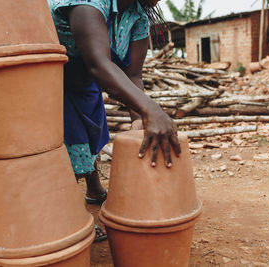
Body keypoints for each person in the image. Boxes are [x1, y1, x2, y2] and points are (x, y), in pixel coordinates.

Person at [49, 0, 181, 242]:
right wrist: (150, 108)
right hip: (50, 76)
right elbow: (99, 63)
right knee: (68, 142)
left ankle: (94, 189)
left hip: (84, 79)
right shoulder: (88, 3)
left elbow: (133, 75)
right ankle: (71, 214)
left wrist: (139, 118)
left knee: (93, 133)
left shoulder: (137, 17)